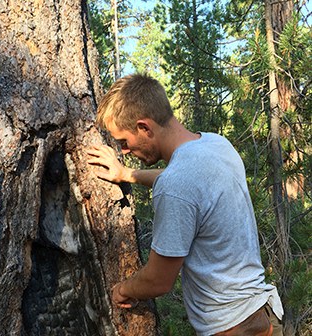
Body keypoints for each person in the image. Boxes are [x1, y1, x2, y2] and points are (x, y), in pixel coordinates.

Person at [87, 74, 284, 335]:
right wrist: (126, 174)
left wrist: (122, 290)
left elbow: (158, 281)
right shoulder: (215, 145)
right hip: (262, 312)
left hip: (233, 327)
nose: (123, 150)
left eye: (124, 141)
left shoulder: (177, 185)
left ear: (145, 128)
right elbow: (186, 183)